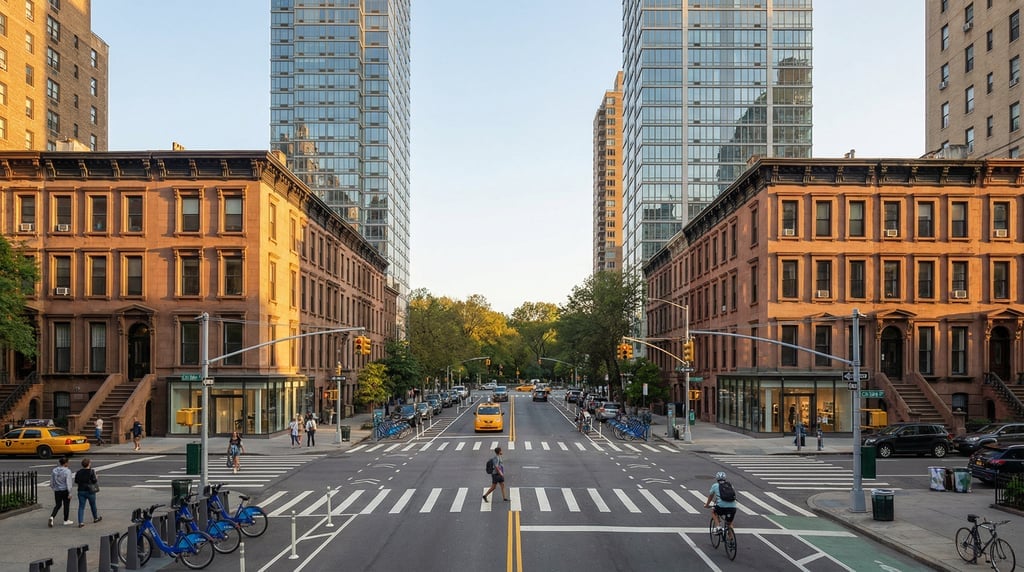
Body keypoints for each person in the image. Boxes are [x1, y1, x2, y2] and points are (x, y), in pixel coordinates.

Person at [74, 458, 101, 528]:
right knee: (93, 505)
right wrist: (96, 478)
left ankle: (81, 522)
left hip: (81, 491)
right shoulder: (91, 471)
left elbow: (76, 481)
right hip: (90, 491)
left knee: (81, 507)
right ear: (89, 464)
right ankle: (95, 518)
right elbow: (94, 481)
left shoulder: (79, 472)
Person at [48, 457, 74, 527]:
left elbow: (51, 481)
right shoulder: (67, 471)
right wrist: (70, 492)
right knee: (66, 505)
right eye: (67, 462)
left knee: (58, 505)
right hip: (65, 490)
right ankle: (66, 520)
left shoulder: (54, 470)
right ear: (65, 463)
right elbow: (68, 483)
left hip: (57, 490)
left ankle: (52, 517)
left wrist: (54, 488)